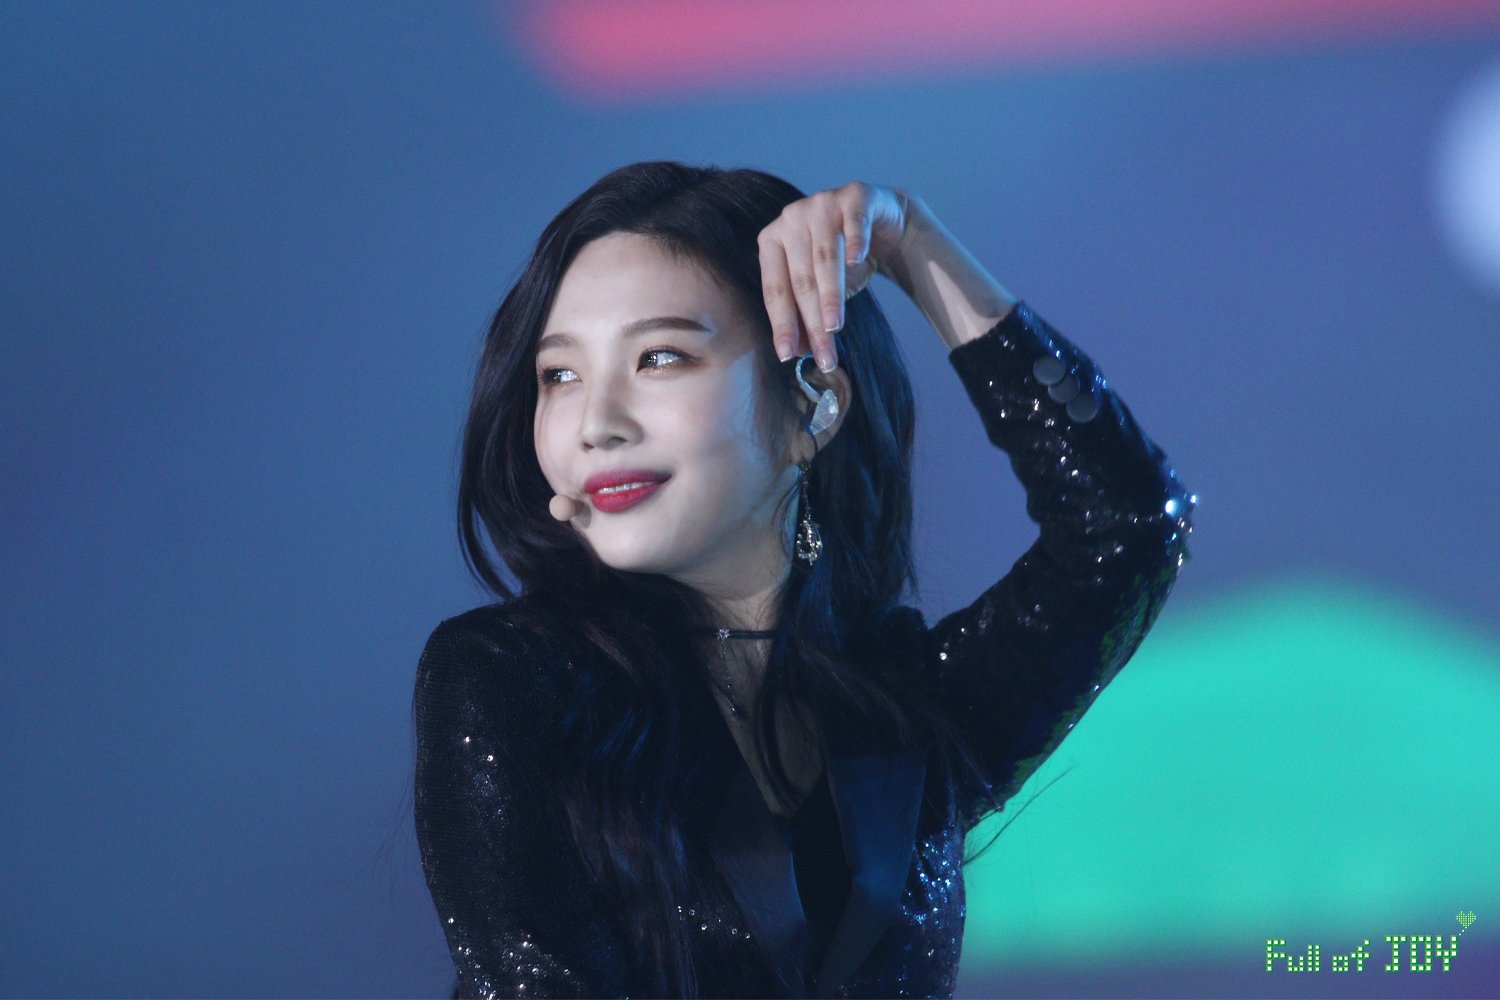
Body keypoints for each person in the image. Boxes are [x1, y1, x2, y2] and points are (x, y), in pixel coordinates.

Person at [412, 161, 1195, 999]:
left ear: (814, 407)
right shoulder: (510, 681)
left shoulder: (907, 711)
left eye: (659, 357)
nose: (595, 424)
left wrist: (911, 245)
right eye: (559, 375)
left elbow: (1128, 525)